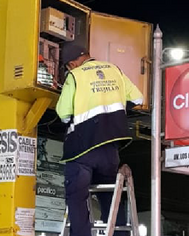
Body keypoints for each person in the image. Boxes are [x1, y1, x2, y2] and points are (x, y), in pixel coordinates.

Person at [56, 43, 144, 236]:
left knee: (77, 197)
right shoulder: (114, 70)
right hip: (110, 149)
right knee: (109, 197)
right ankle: (119, 233)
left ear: (71, 64)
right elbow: (138, 99)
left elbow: (63, 113)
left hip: (81, 149)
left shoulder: (75, 76)